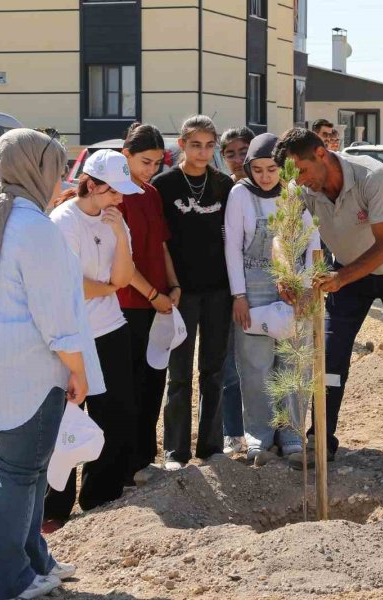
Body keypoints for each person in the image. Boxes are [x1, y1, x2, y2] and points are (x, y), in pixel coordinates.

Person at [0, 128, 104, 600]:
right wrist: (77, 371)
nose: (64, 180)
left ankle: (35, 560)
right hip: (30, 373)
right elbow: (56, 315)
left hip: (3, 367)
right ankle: (4, 580)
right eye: (58, 169)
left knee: (30, 471)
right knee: (19, 475)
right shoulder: (34, 227)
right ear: (35, 170)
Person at [272, 128, 383, 475]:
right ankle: (321, 440)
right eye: (294, 175)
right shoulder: (300, 187)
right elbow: (283, 236)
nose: (300, 181)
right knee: (331, 356)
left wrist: (340, 279)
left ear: (321, 153)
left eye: (302, 170)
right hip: (348, 272)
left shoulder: (371, 177)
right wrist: (286, 273)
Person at [43, 149, 140, 527]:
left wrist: (117, 231)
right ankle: (55, 510)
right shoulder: (62, 221)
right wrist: (106, 286)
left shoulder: (115, 220)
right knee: (67, 417)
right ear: (92, 185)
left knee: (116, 415)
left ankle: (100, 498)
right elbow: (69, 288)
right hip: (71, 332)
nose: (120, 199)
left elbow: (124, 275)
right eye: (114, 191)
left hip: (110, 328)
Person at [225, 133, 319, 463]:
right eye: (258, 169)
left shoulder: (296, 194)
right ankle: (259, 435)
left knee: (293, 362)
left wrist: (305, 287)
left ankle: (292, 433)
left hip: (293, 285)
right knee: (255, 365)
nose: (265, 177)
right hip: (253, 286)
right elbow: (233, 249)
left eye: (271, 169)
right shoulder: (239, 195)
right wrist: (238, 295)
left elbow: (313, 241)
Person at [154, 115, 234, 468]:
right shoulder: (164, 185)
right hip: (181, 293)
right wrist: (171, 285)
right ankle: (175, 450)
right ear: (182, 144)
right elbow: (161, 243)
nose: (203, 152)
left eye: (209, 145)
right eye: (195, 144)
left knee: (214, 370)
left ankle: (211, 446)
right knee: (180, 372)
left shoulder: (224, 185)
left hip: (219, 290)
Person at [116, 123, 182, 478]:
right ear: (125, 154)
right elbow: (120, 262)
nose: (151, 169)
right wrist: (153, 294)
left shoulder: (151, 193)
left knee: (153, 381)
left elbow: (160, 244)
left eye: (158, 162)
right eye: (145, 161)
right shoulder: (114, 195)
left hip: (160, 303)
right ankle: (123, 467)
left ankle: (144, 459)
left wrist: (173, 285)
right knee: (128, 387)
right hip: (127, 304)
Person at [218, 126, 255, 455]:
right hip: (225, 289)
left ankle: (265, 430)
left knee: (262, 363)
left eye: (244, 150)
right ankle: (232, 432)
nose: (238, 158)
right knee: (228, 363)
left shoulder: (270, 187)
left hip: (262, 287)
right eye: (230, 152)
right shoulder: (219, 189)